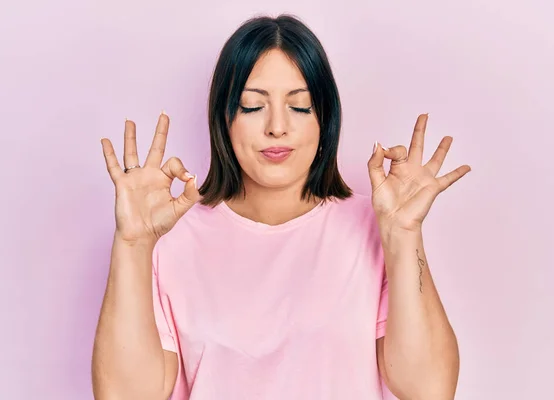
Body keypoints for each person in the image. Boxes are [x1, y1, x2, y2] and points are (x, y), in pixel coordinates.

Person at [91, 14, 470, 400]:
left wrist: (404, 237)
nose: (276, 127)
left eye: (300, 107)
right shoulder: (170, 236)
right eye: (253, 107)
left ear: (325, 119)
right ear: (225, 119)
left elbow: (429, 390)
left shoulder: (377, 227)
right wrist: (133, 245)